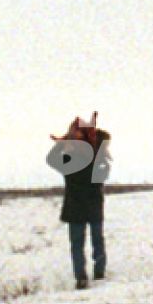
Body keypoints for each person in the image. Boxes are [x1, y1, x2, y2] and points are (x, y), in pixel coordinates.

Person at [46, 115, 111, 289]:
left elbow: (51, 159)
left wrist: (64, 140)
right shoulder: (96, 153)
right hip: (91, 204)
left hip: (77, 206)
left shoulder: (72, 156)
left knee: (79, 243)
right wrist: (87, 132)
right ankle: (97, 273)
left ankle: (84, 277)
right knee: (93, 240)